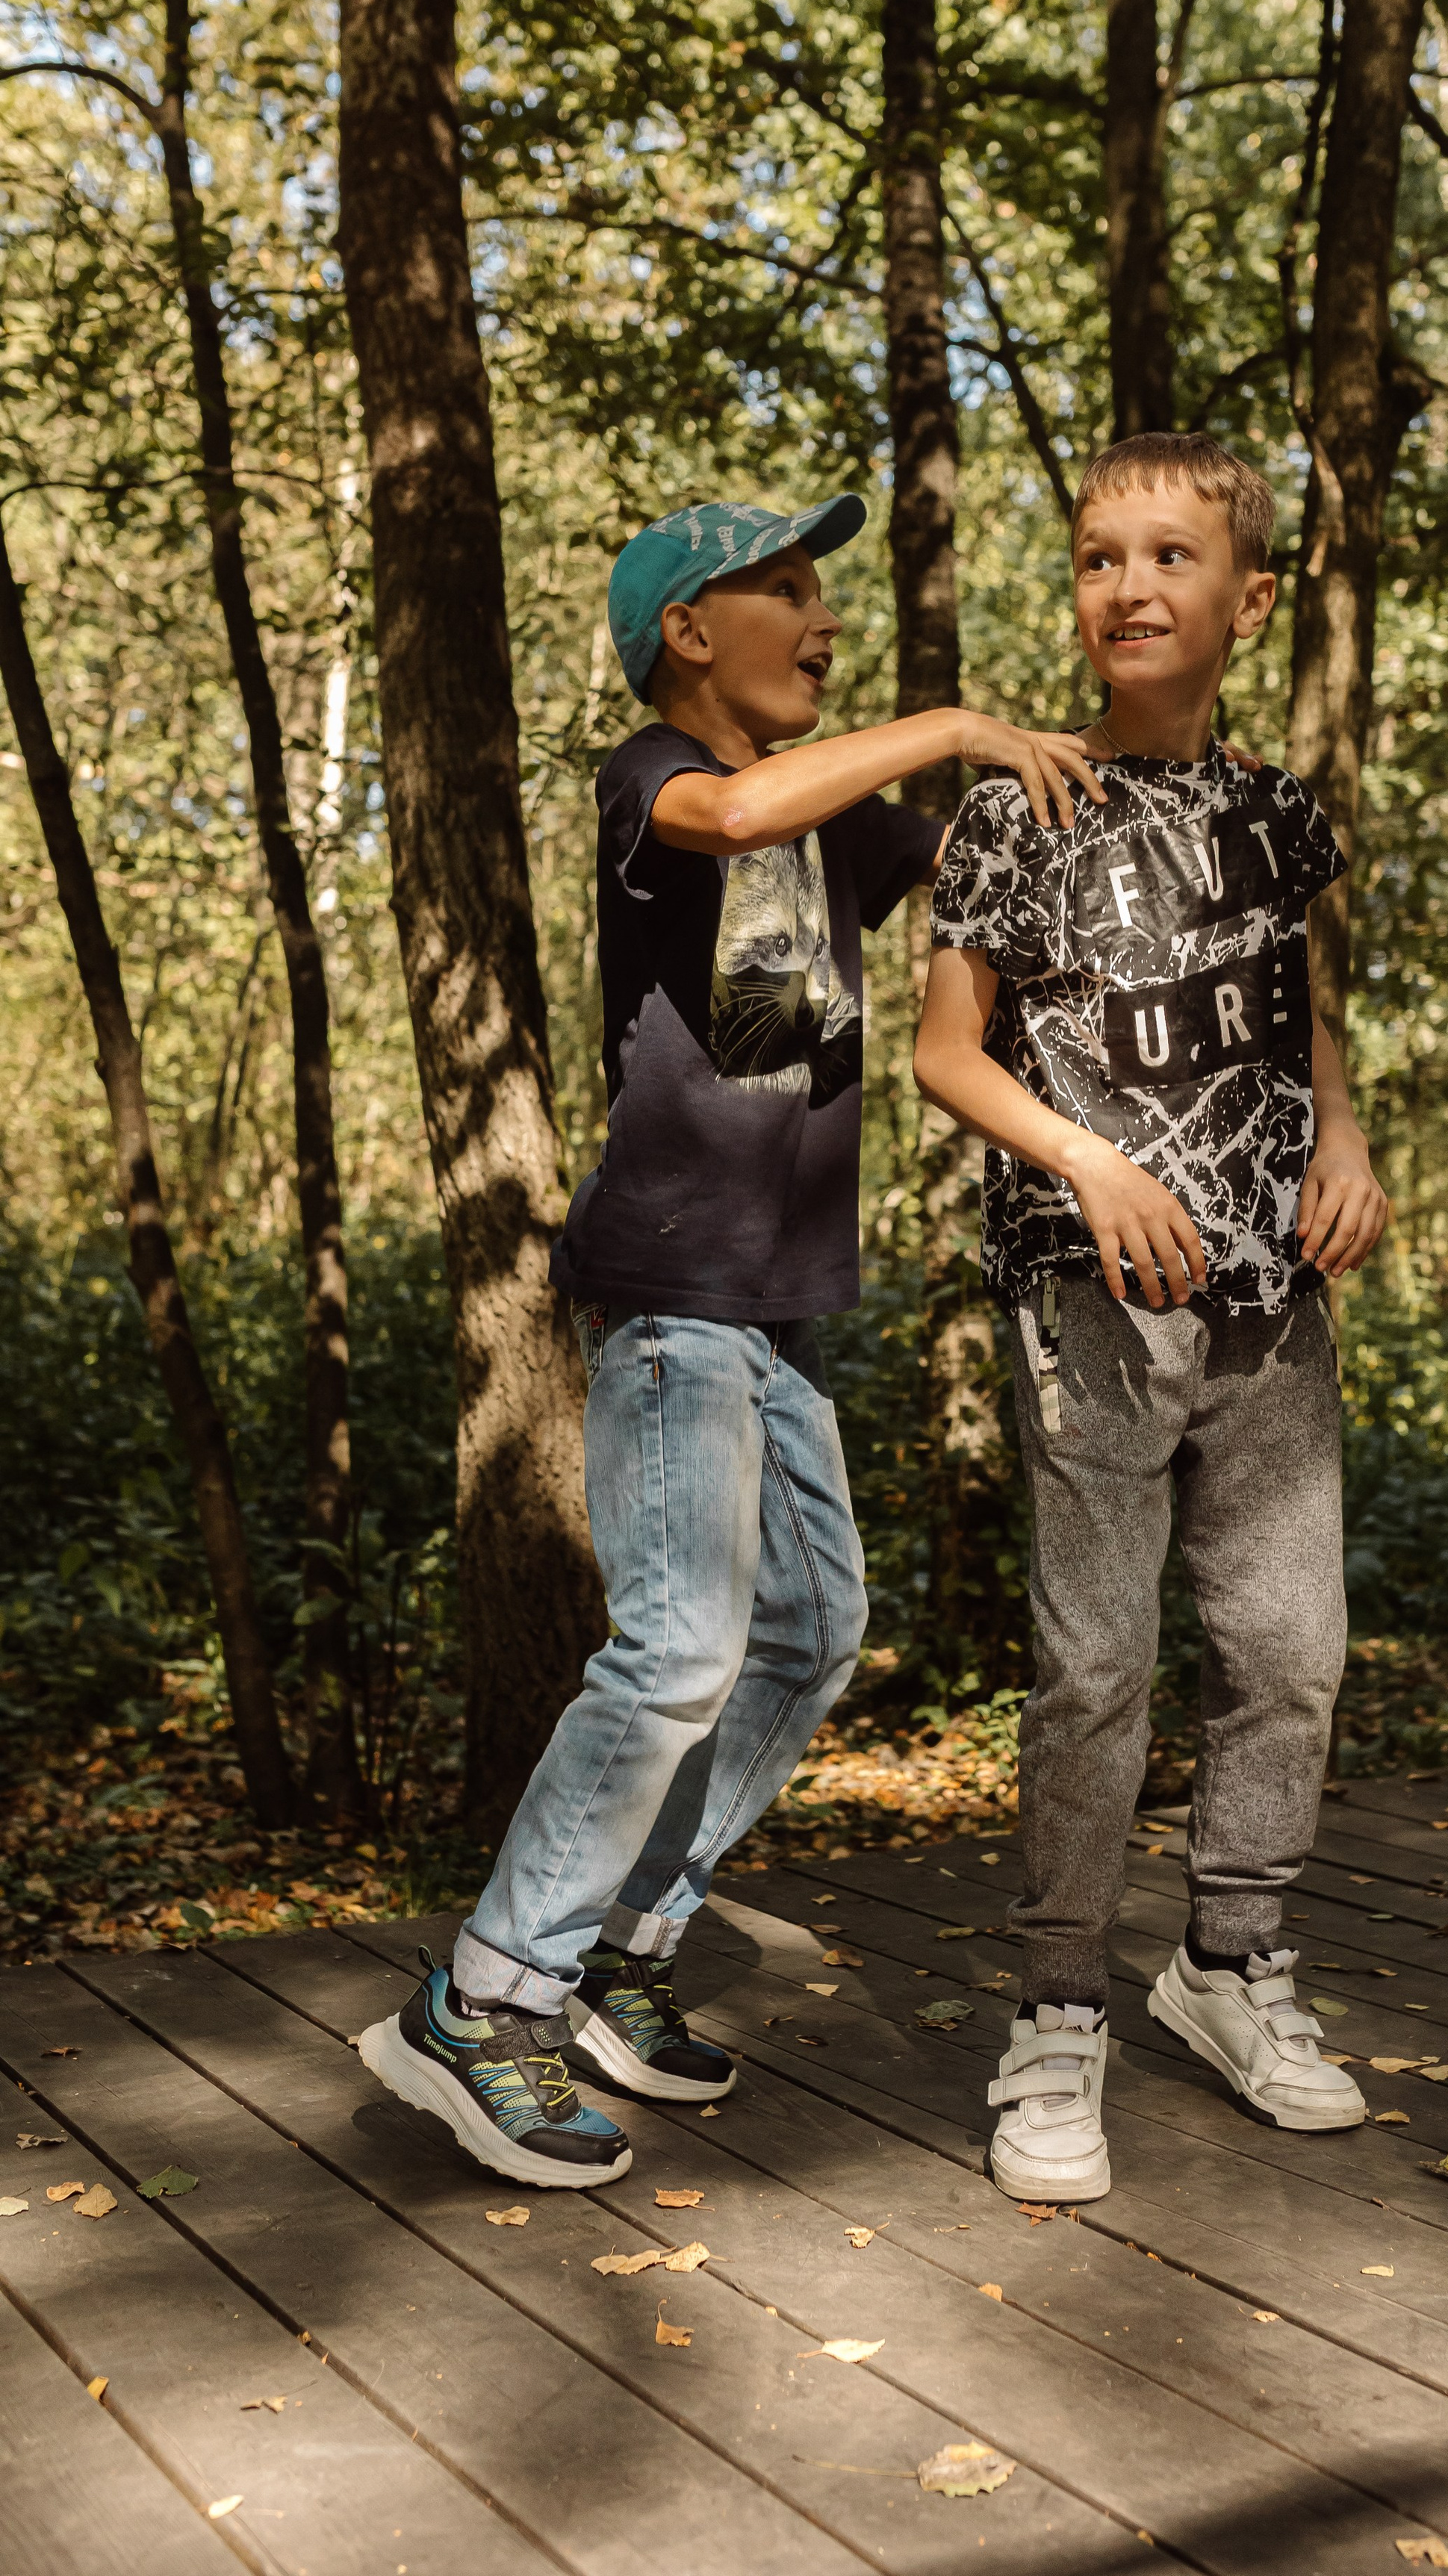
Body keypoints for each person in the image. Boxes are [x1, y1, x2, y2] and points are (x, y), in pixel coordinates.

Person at [360, 494, 1104, 2187]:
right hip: (671, 1297)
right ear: (690, 632)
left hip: (774, 1322)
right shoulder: (652, 780)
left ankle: (618, 1948)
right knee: (680, 1647)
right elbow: (748, 803)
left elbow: (995, 874)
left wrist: (1115, 787)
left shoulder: (835, 829)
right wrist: (953, 724)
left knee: (808, 1636)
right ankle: (480, 2002)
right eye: (786, 589)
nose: (822, 612)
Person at [914, 432, 1390, 2203]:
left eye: (1169, 557)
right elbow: (944, 1050)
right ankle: (1055, 2011)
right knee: (1095, 1666)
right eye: (1099, 556)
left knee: (1285, 1651)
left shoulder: (1275, 813)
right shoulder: (1012, 809)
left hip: (1273, 1298)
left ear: (1246, 600)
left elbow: (1300, 1010)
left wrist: (1339, 1135)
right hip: (1090, 1300)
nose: (1128, 585)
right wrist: (1085, 1165)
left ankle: (1230, 1966)